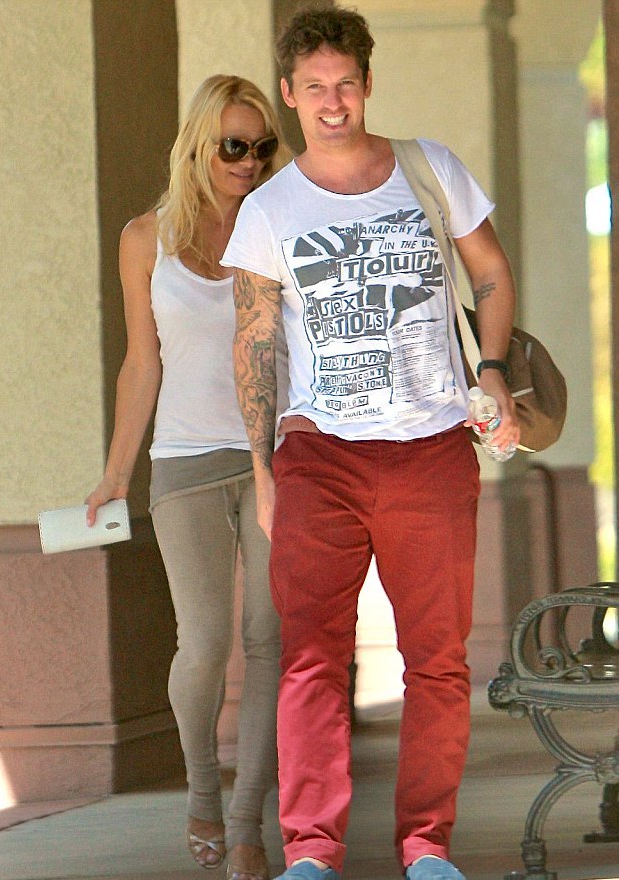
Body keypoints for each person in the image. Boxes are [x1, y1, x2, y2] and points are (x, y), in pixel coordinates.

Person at [222, 8, 521, 880]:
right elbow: (255, 344)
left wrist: (493, 369)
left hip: (431, 447)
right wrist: (264, 472)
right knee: (312, 660)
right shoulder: (269, 209)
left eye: (345, 84)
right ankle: (312, 854)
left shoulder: (429, 169)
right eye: (314, 87)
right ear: (289, 94)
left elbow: (491, 271)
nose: (333, 103)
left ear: (367, 84)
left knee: (438, 661)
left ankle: (427, 848)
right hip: (320, 455)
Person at [85, 74, 290, 880]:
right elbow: (143, 362)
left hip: (276, 460)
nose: (248, 162)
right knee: (203, 644)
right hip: (184, 462)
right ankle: (202, 789)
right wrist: (115, 473)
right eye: (233, 145)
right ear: (198, 144)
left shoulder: (278, 226)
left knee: (270, 642)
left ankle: (247, 826)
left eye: (262, 147)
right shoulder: (147, 238)